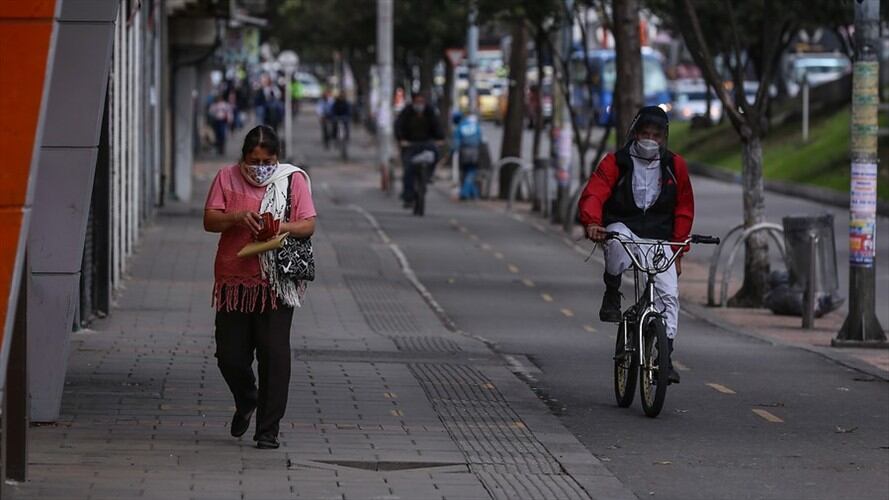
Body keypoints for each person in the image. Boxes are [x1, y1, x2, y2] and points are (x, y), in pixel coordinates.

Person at [203, 125, 316, 449]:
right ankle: (246, 397)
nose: (261, 167)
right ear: (243, 157)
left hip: (276, 281)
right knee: (229, 355)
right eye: (254, 160)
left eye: (268, 160)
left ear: (277, 158)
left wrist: (279, 226)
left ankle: (268, 430)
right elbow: (210, 220)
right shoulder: (226, 177)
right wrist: (238, 217)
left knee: (274, 355)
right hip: (234, 280)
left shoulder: (292, 179)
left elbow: (308, 224)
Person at [577, 106, 694, 384]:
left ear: (664, 137)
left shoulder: (675, 166)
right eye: (645, 133)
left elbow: (684, 208)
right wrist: (593, 223)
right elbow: (594, 193)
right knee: (615, 241)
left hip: (660, 236)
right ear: (635, 133)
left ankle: (665, 356)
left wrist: (679, 250)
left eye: (656, 135)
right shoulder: (615, 162)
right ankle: (612, 289)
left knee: (669, 295)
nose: (650, 140)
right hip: (624, 227)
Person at [394, 92, 444, 206]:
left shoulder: (430, 111)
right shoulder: (407, 112)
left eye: (422, 102)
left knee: (435, 154)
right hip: (410, 144)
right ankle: (408, 196)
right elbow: (398, 126)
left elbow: (437, 126)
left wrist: (440, 139)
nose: (419, 105)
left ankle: (429, 175)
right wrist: (401, 140)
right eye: (417, 102)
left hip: (426, 143)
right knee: (408, 169)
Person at [451, 111, 483, 200]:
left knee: (468, 172)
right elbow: (480, 138)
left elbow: (456, 142)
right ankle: (474, 193)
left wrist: (453, 152)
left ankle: (465, 192)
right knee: (471, 171)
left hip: (464, 151)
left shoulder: (459, 127)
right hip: (475, 150)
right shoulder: (474, 125)